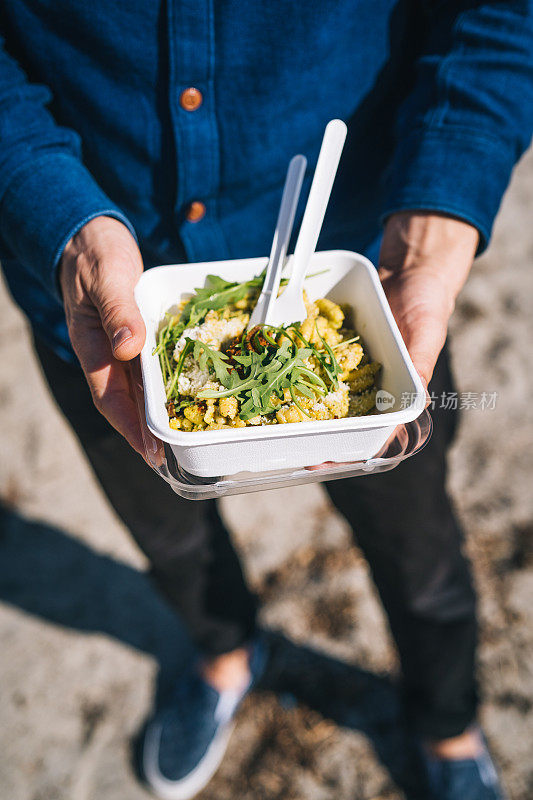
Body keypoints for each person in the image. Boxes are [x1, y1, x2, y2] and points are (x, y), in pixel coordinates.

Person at [1, 2, 532, 798]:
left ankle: (448, 723)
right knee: (171, 540)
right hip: (95, 304)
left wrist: (440, 211)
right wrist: (63, 222)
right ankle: (224, 653)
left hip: (371, 275)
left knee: (420, 552)